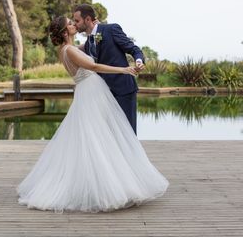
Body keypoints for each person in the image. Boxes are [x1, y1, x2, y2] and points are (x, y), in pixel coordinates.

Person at [16, 16, 169, 213]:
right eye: (70, 24)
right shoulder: (69, 50)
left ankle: (107, 180)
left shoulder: (67, 49)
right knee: (99, 137)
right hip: (91, 91)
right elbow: (94, 67)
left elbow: (90, 46)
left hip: (88, 90)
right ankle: (108, 186)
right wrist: (123, 69)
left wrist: (96, 36)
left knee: (98, 136)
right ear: (64, 32)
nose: (74, 25)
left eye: (74, 21)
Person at [73, 4, 144, 134]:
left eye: (77, 21)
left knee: (128, 133)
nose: (75, 24)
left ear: (88, 19)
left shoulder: (111, 29)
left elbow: (134, 49)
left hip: (123, 90)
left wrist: (138, 61)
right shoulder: (88, 44)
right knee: (110, 135)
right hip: (104, 94)